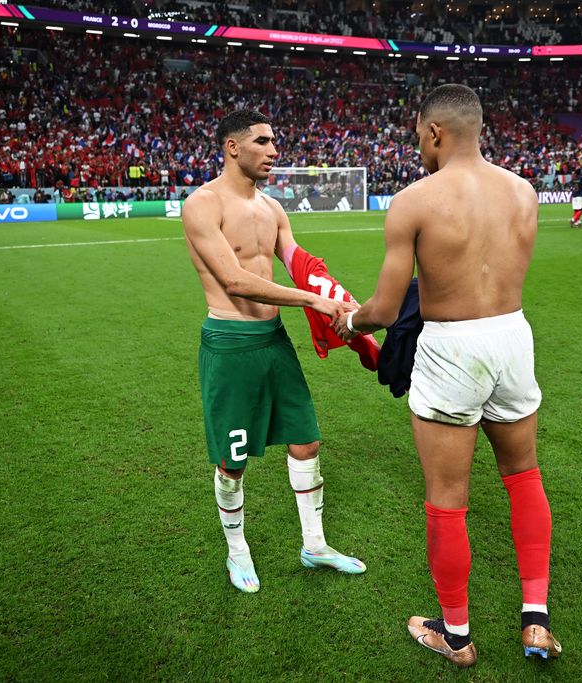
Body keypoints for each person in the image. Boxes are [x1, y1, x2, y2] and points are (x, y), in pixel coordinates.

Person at [333, 84, 559, 667]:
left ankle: (455, 636)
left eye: (418, 138)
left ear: (435, 131)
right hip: (513, 336)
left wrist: (347, 320)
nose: (419, 149)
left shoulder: (414, 200)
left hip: (452, 346)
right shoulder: (524, 191)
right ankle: (536, 622)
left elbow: (383, 309)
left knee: (447, 498)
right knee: (523, 476)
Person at [181, 109, 366, 595]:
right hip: (232, 346)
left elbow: (302, 267)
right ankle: (237, 551)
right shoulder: (201, 205)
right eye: (263, 141)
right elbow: (235, 280)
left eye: (274, 142)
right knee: (233, 459)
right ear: (232, 147)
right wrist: (313, 301)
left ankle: (315, 545)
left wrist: (348, 309)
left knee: (306, 440)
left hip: (274, 342)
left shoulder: (274, 209)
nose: (274, 151)